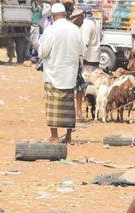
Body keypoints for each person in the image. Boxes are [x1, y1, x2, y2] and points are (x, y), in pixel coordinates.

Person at [36, 3, 85, 143]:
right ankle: (68, 136)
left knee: (53, 106)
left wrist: (37, 47)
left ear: (54, 16)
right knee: (68, 105)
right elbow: (81, 50)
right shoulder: (75, 29)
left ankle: (55, 136)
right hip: (70, 73)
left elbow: (43, 52)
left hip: (53, 72)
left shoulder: (50, 30)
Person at [80, 6, 101, 75]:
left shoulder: (87, 24)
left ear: (83, 14)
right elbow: (101, 36)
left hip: (88, 58)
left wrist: (80, 57)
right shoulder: (96, 22)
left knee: (88, 81)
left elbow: (85, 42)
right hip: (96, 57)